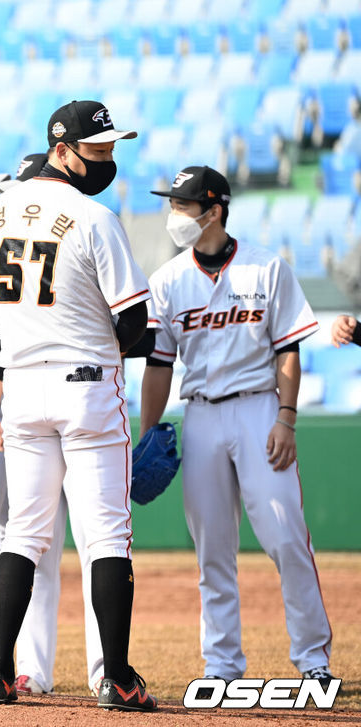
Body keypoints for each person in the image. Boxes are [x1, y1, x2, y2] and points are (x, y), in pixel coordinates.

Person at [0, 100, 157, 711]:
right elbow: (136, 322)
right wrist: (83, 333)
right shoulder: (94, 216)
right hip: (87, 384)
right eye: (98, 150)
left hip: (23, 385)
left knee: (23, 533)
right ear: (61, 150)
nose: (108, 160)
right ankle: (117, 678)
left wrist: (22, 330)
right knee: (107, 535)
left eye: (112, 148)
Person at [140, 165, 334, 688]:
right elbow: (159, 366)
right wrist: (148, 432)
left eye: (182, 205)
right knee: (213, 551)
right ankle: (222, 665)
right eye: (173, 204)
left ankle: (313, 658)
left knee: (286, 538)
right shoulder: (167, 280)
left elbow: (287, 352)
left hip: (257, 409)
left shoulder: (265, 268)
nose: (174, 214)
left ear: (214, 209)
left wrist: (286, 419)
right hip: (200, 412)